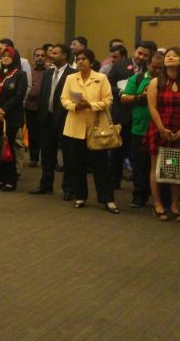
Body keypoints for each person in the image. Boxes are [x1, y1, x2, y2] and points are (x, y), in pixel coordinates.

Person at [59, 48, 118, 213]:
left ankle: (108, 199)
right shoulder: (71, 78)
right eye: (78, 59)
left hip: (96, 128)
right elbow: (64, 99)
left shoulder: (101, 78)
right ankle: (80, 196)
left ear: (91, 62)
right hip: (75, 127)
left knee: (101, 166)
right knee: (77, 164)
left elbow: (109, 100)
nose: (80, 61)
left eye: (83, 59)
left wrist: (91, 105)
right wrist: (74, 106)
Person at [146, 47, 180, 221]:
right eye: (168, 55)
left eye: (174, 56)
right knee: (156, 167)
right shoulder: (156, 82)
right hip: (159, 128)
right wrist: (161, 128)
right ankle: (157, 204)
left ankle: (174, 205)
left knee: (176, 167)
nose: (170, 58)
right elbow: (152, 107)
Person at [29, 44, 75, 197]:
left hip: (64, 119)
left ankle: (68, 188)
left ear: (65, 55)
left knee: (68, 156)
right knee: (47, 155)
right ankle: (46, 184)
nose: (51, 55)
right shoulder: (48, 73)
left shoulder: (72, 74)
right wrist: (41, 115)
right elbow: (43, 95)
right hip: (47, 119)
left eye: (55, 53)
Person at [107, 41, 153, 190]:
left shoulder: (151, 69)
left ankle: (140, 185)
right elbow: (108, 85)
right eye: (139, 53)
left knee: (138, 154)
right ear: (135, 51)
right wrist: (121, 92)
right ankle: (114, 181)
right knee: (117, 150)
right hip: (122, 113)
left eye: (145, 55)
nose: (141, 57)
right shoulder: (120, 65)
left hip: (141, 116)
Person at [121, 51, 164, 208]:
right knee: (139, 164)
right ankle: (140, 195)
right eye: (154, 67)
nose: (157, 71)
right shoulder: (138, 78)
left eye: (161, 68)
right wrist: (140, 97)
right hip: (139, 128)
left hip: (161, 129)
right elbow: (124, 97)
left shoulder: (167, 81)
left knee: (161, 164)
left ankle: (162, 198)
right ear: (148, 64)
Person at [0, 46, 27, 191]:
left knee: (8, 147)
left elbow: (19, 96)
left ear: (14, 58)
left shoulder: (20, 75)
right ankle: (2, 178)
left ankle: (11, 180)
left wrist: (3, 110)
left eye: (9, 56)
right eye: (3, 56)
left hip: (11, 117)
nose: (5, 58)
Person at [24, 47, 47, 167]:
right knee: (33, 134)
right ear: (33, 57)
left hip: (46, 108)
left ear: (45, 58)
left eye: (42, 55)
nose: (40, 58)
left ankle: (50, 160)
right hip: (31, 107)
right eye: (37, 55)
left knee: (47, 134)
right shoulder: (29, 71)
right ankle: (33, 157)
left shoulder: (50, 71)